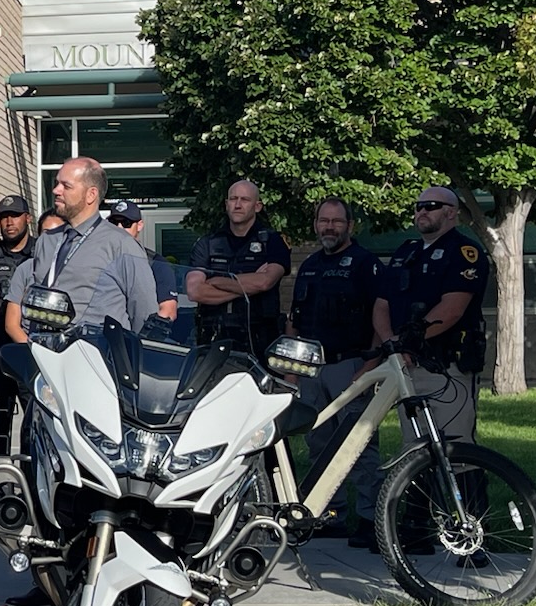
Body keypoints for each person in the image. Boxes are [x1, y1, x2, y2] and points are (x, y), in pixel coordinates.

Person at [287, 198, 382, 550]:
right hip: (312, 369)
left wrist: (370, 364)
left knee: (360, 446)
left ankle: (372, 520)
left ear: (350, 225)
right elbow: (295, 321)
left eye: (336, 221)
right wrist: (294, 372)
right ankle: (331, 516)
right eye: (323, 221)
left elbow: (379, 315)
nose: (329, 227)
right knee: (320, 446)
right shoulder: (309, 266)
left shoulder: (365, 264)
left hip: (351, 366)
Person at [372, 185, 489, 448]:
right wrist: (393, 346)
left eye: (430, 206)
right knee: (414, 448)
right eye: (418, 206)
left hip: (445, 366)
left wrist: (407, 344)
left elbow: (452, 309)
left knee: (456, 448)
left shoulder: (464, 252)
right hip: (406, 366)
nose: (422, 211)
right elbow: (382, 305)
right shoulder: (406, 252)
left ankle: (463, 491)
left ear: (450, 212)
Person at [2, 158, 156, 343]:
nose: (56, 191)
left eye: (66, 186)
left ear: (91, 195)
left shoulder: (122, 245)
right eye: (57, 183)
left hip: (97, 359)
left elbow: (143, 313)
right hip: (45, 357)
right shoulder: (46, 241)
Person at [185, 179, 289, 353]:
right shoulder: (208, 244)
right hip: (214, 339)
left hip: (259, 341)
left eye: (245, 200)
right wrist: (247, 288)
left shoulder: (272, 242)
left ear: (257, 206)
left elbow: (264, 282)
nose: (238, 205)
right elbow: (195, 291)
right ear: (226, 204)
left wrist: (215, 281)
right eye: (233, 199)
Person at [0, 194, 35, 457]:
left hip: (29, 349)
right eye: (4, 217)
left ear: (28, 218)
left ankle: (31, 482)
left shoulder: (42, 255)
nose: (9, 222)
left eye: (14, 216)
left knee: (34, 422)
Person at [108, 200, 178, 323]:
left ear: (139, 225)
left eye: (126, 223)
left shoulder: (155, 263)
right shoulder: (102, 258)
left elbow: (168, 310)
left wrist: (146, 337)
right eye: (113, 223)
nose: (119, 227)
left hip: (137, 337)